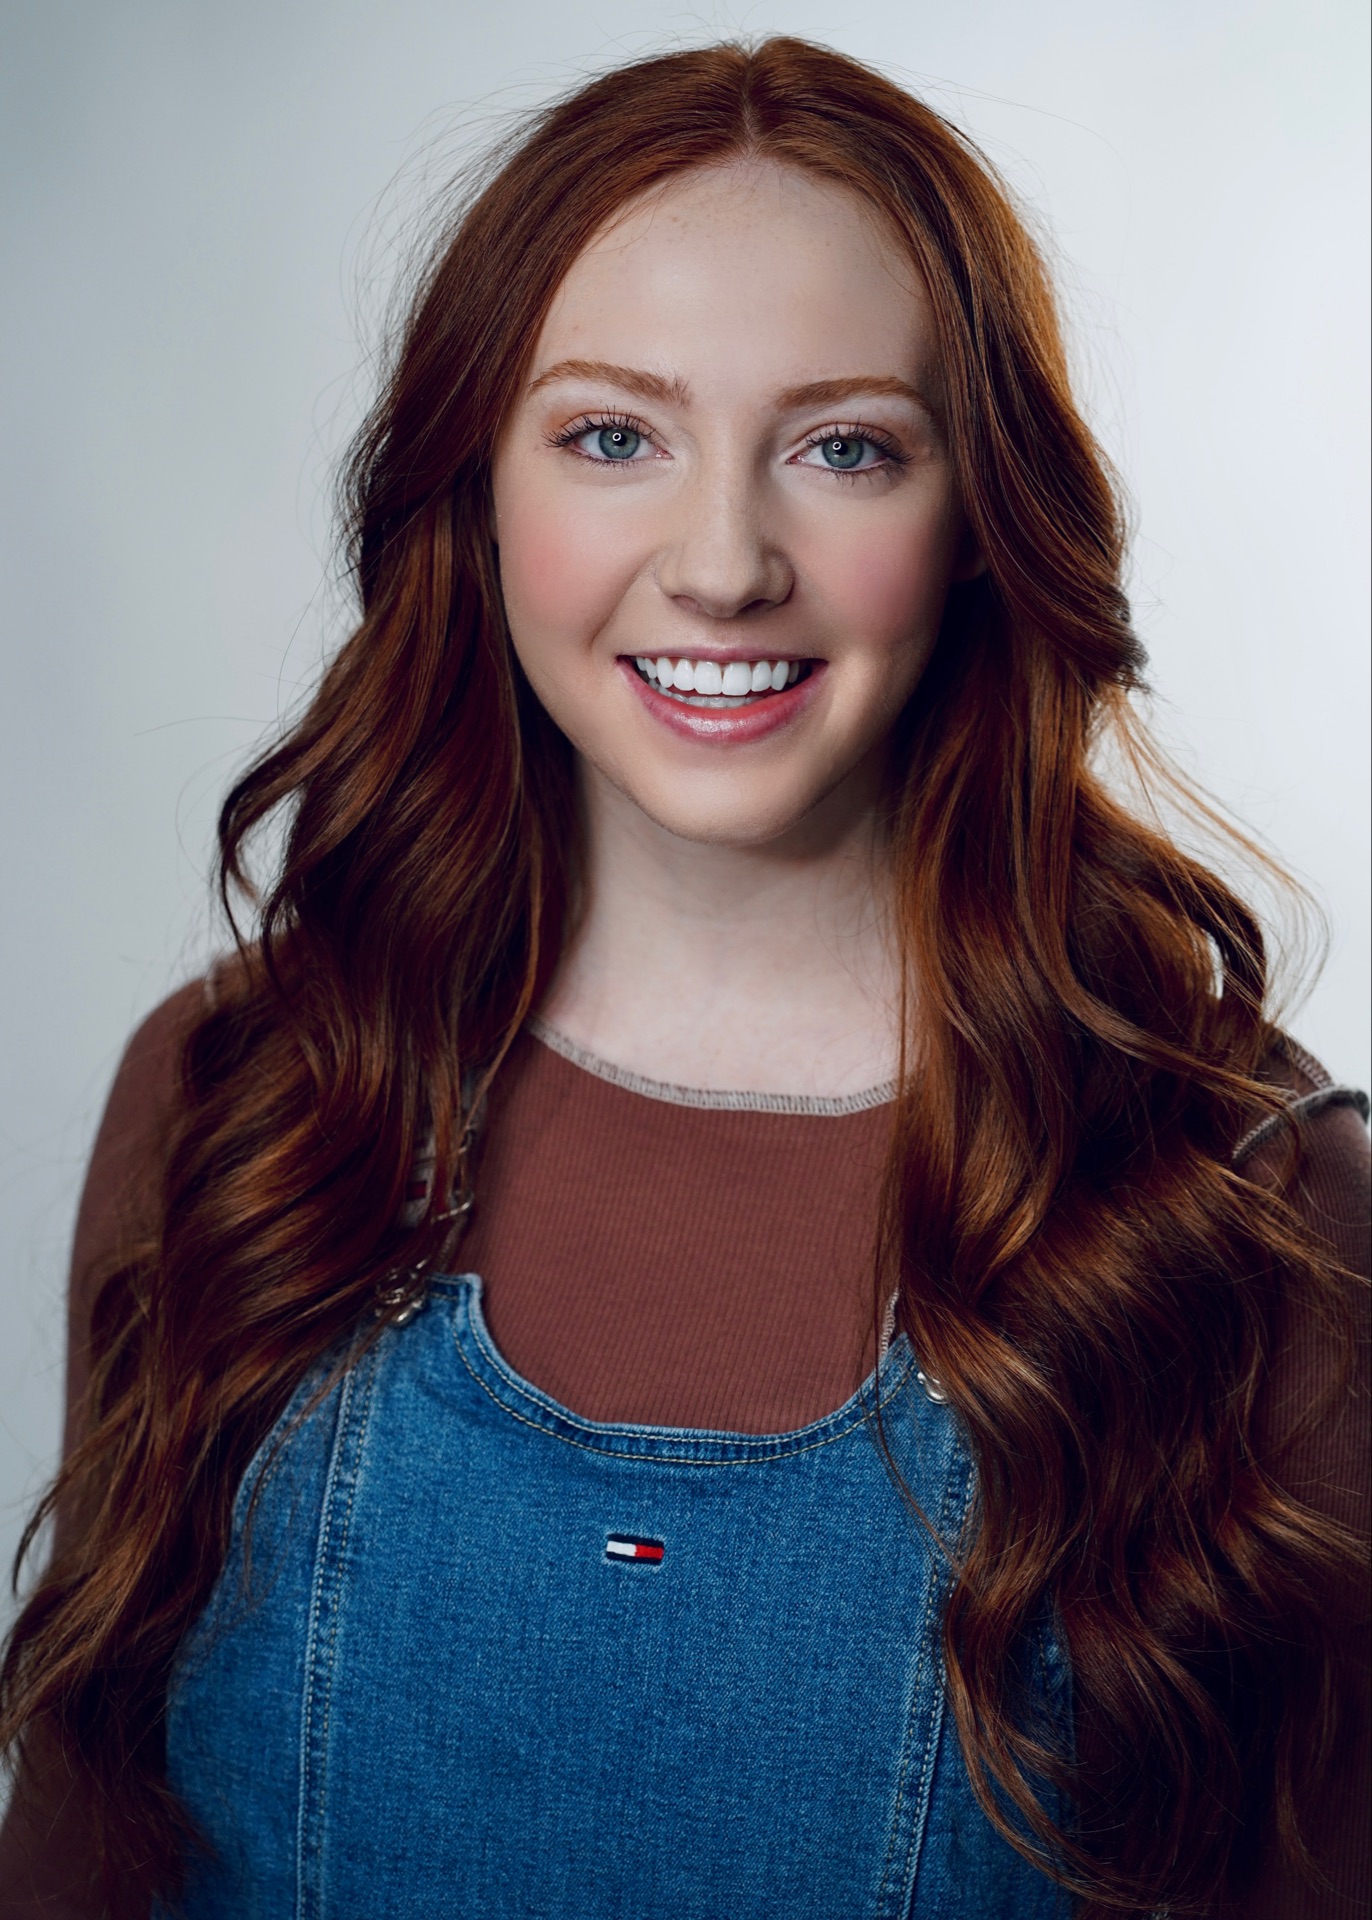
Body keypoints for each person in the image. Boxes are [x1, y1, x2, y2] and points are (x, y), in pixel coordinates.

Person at [0, 35, 1367, 1920]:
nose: (723, 565)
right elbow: (76, 1854)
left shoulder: (1248, 1213)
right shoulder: (246, 1101)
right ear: (476, 490)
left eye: (845, 449)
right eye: (612, 436)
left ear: (982, 521)